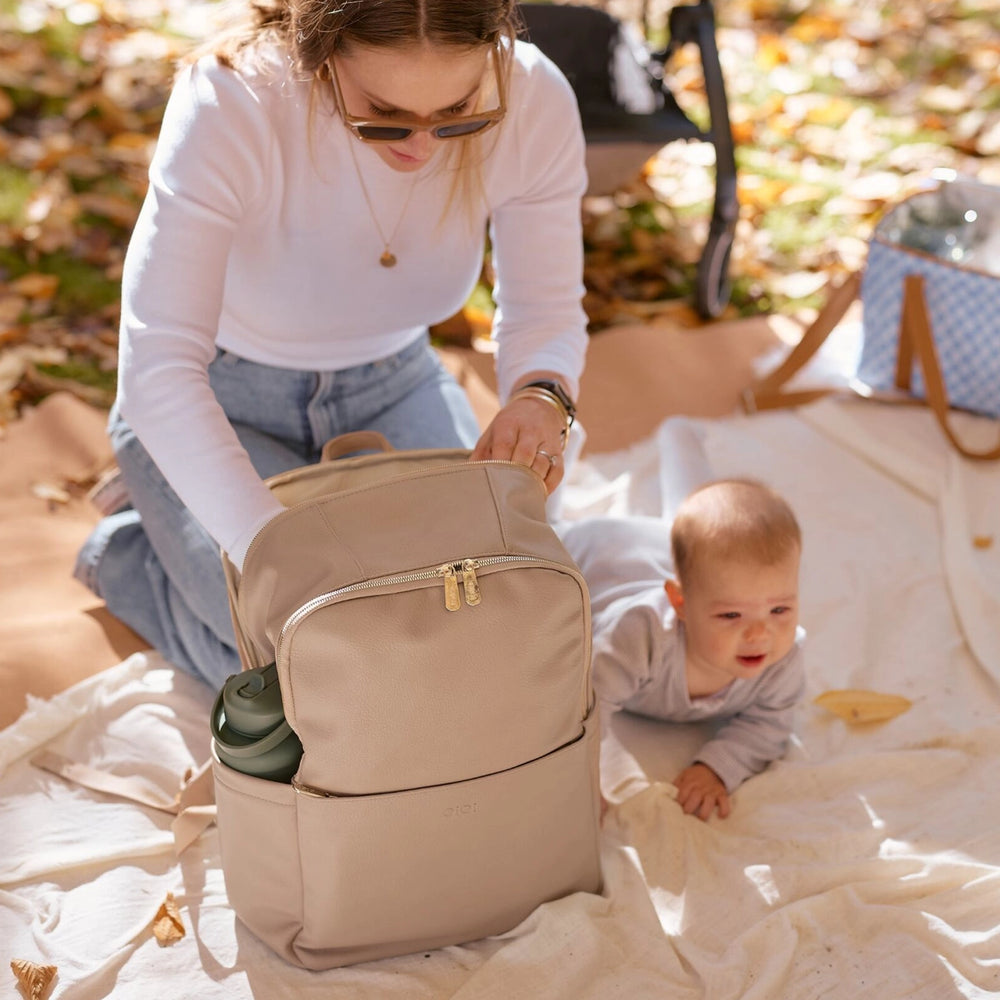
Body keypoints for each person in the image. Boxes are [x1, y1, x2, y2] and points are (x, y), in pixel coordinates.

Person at [74, 0, 589, 690]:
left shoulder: (534, 96)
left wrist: (541, 393)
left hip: (398, 381)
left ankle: (181, 511)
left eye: (459, 110)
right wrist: (274, 550)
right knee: (315, 670)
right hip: (220, 402)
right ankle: (130, 548)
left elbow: (545, 307)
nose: (423, 146)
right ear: (321, 53)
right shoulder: (234, 98)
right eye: (384, 113)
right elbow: (159, 366)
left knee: (476, 633)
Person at [559, 468, 805, 822]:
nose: (759, 635)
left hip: (659, 551)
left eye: (780, 609)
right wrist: (577, 781)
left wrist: (717, 768)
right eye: (731, 616)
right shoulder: (641, 636)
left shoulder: (783, 659)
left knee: (689, 528)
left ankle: (679, 438)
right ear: (680, 603)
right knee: (534, 527)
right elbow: (584, 706)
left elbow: (770, 725)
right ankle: (563, 449)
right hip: (599, 550)